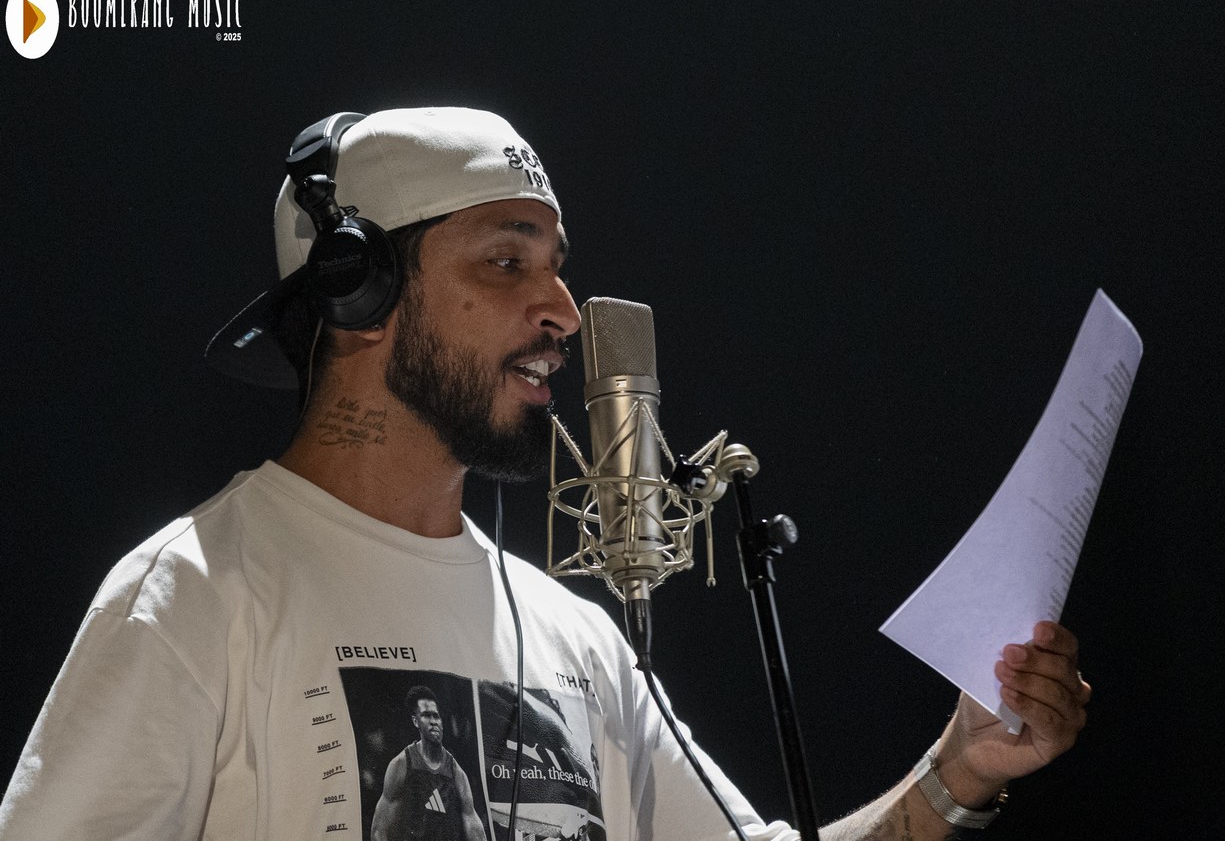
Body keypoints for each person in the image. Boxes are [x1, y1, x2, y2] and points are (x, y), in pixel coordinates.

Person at [0, 107, 1090, 840]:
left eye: (557, 270)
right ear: (358, 293)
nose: (563, 311)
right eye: (506, 259)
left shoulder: (579, 639)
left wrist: (961, 768)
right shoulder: (193, 597)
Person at [372, 687, 486, 841]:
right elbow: (379, 829)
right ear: (415, 721)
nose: (433, 721)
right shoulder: (401, 764)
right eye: (426, 715)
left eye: (436, 716)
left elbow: (474, 827)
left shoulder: (456, 771)